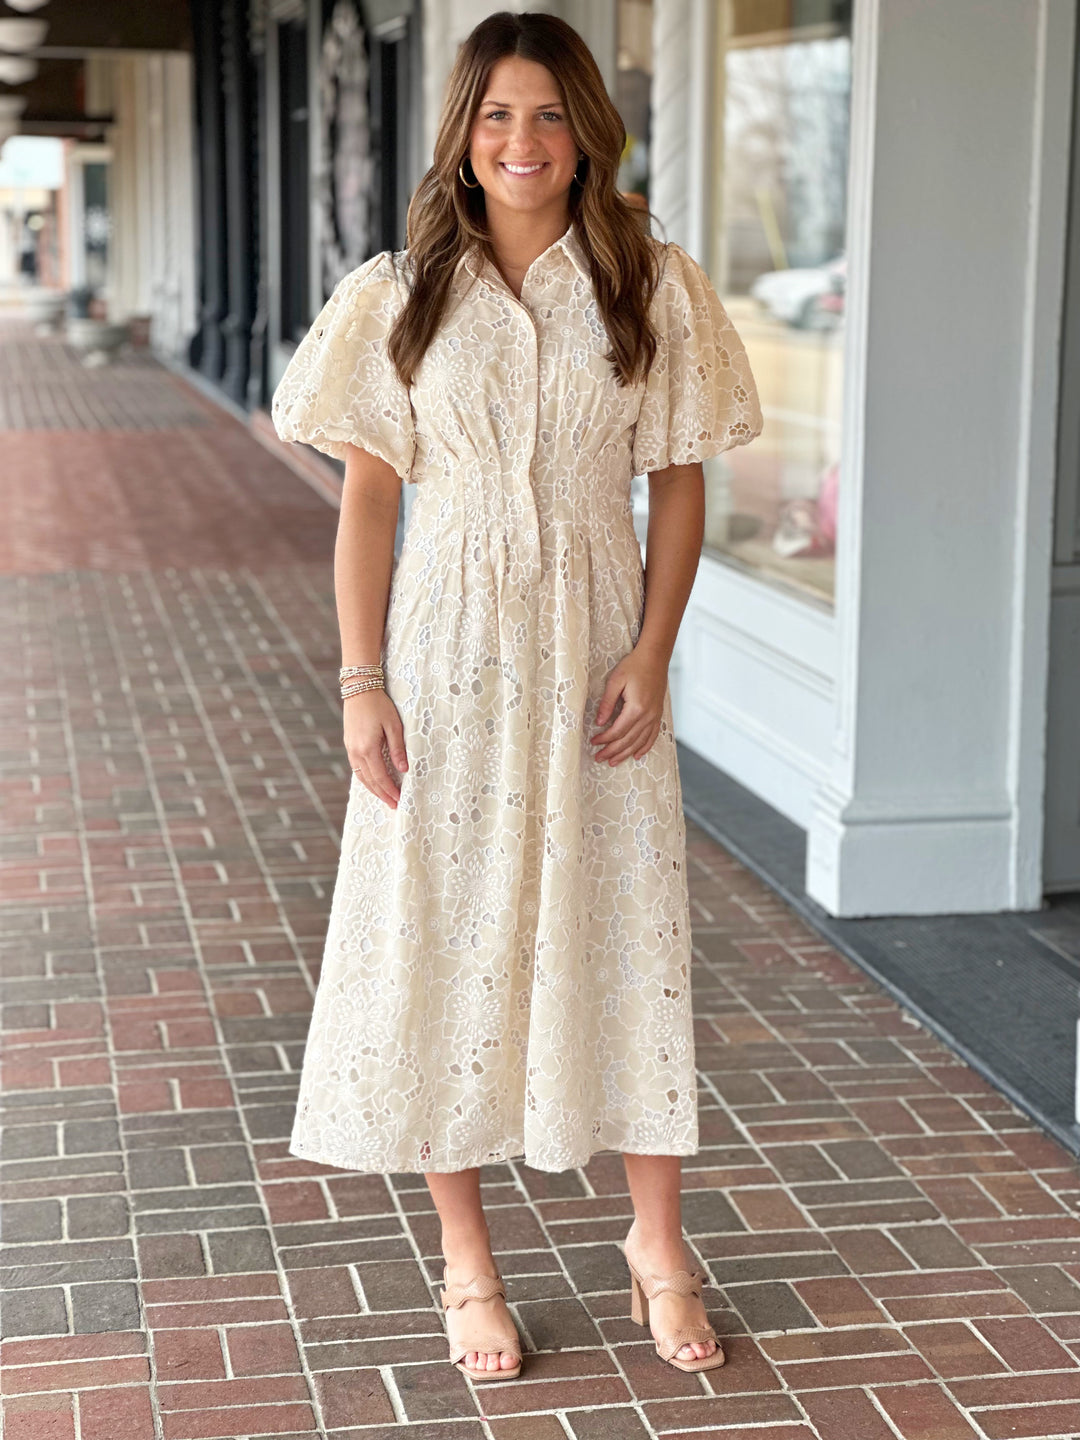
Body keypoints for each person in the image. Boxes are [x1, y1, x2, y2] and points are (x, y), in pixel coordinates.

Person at [272, 8, 762, 1386]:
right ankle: (468, 1266)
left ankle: (657, 1246)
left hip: (598, 648)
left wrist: (653, 652)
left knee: (627, 928)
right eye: (496, 115)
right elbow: (370, 502)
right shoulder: (398, 293)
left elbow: (679, 485)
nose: (523, 141)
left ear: (585, 128)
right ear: (463, 136)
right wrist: (362, 681)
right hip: (443, 655)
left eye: (548, 113)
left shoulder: (648, 282)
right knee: (438, 936)